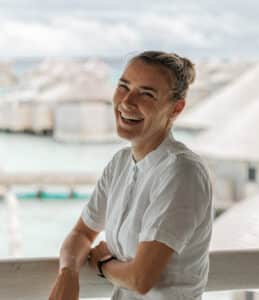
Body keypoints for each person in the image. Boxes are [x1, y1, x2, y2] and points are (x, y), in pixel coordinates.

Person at [48, 50, 213, 300]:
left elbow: (140, 279)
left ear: (176, 109)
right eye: (124, 86)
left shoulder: (182, 172)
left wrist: (103, 263)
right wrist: (68, 274)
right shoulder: (121, 163)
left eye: (147, 94)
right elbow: (81, 234)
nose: (126, 102)